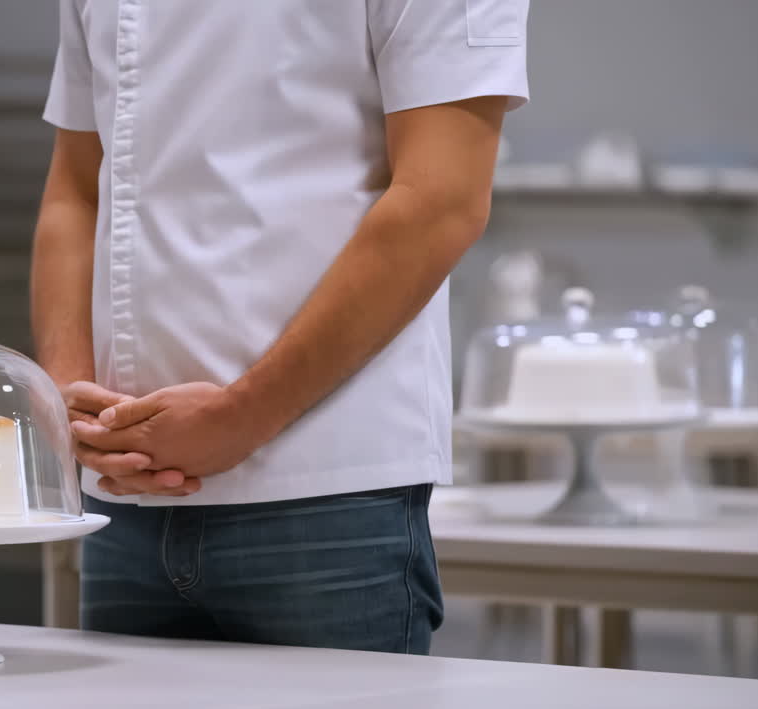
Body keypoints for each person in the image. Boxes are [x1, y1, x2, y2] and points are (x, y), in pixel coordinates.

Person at [31, 0, 528, 653]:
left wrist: (241, 417)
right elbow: (76, 188)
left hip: (326, 497)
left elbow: (442, 201)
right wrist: (73, 407)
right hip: (124, 499)